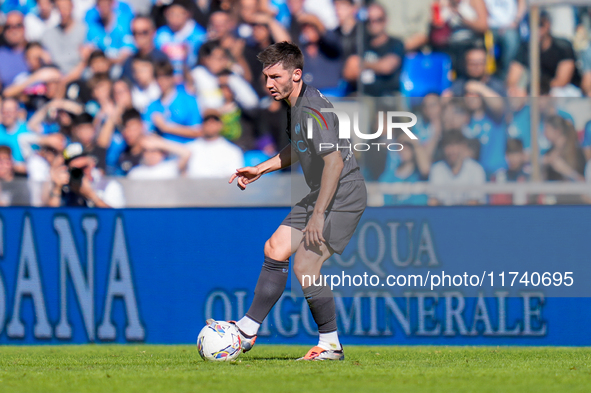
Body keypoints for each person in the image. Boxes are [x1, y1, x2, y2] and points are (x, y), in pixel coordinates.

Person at [228, 42, 366, 360]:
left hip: (343, 196)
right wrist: (261, 168)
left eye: (275, 76)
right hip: (323, 193)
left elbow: (334, 163)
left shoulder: (313, 108)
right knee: (274, 248)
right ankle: (248, 330)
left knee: (305, 265)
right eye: (266, 77)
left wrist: (318, 217)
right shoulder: (294, 105)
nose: (268, 84)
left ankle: (330, 345)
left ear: (297, 74)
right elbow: (297, 148)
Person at [507, 11, 580, 96]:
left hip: (562, 91)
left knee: (556, 94)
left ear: (548, 25)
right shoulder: (525, 48)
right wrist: (516, 89)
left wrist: (535, 89)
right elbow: (512, 79)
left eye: (540, 25)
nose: (536, 30)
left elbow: (562, 81)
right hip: (535, 91)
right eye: (531, 25)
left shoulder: (563, 46)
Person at [342, 3, 404, 96]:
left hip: (386, 96)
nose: (373, 23)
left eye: (378, 19)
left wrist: (362, 64)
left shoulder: (395, 43)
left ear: (386, 20)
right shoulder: (360, 44)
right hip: (360, 97)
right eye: (369, 20)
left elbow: (387, 67)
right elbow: (348, 72)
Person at [46, 142, 125, 207]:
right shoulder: (65, 189)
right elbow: (50, 217)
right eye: (76, 170)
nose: (82, 173)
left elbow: (117, 218)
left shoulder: (109, 186)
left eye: (84, 167)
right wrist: (57, 188)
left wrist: (91, 196)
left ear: (92, 164)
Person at [145, 60, 202, 143]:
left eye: (165, 77)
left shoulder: (189, 100)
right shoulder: (152, 106)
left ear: (172, 77)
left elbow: (197, 132)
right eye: (158, 77)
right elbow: (146, 132)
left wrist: (166, 127)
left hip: (188, 147)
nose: (162, 81)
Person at [428, 129, 486, 205]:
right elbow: (433, 202)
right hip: (443, 215)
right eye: (448, 145)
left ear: (463, 146)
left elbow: (474, 203)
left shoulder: (476, 169)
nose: (452, 151)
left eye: (455, 145)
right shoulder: (436, 169)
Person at [154, 0, 207, 77]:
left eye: (178, 14)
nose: (174, 18)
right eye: (171, 14)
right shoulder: (160, 34)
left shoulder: (199, 36)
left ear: (188, 14)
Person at [186, 109, 244, 178]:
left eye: (215, 120)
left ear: (221, 124)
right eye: (206, 120)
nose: (210, 123)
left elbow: (233, 178)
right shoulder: (188, 149)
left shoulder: (233, 151)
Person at [121, 15, 169, 82]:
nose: (138, 36)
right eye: (135, 33)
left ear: (153, 32)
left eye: (144, 32)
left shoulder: (162, 59)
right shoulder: (128, 62)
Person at [542, 115, 585, 182]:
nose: (544, 133)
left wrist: (566, 171)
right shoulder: (549, 152)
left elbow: (584, 182)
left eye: (547, 129)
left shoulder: (576, 152)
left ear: (557, 131)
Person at [0, 11, 29, 88]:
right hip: (9, 98)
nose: (13, 30)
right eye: (8, 26)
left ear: (24, 28)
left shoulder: (35, 49)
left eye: (18, 25)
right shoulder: (1, 55)